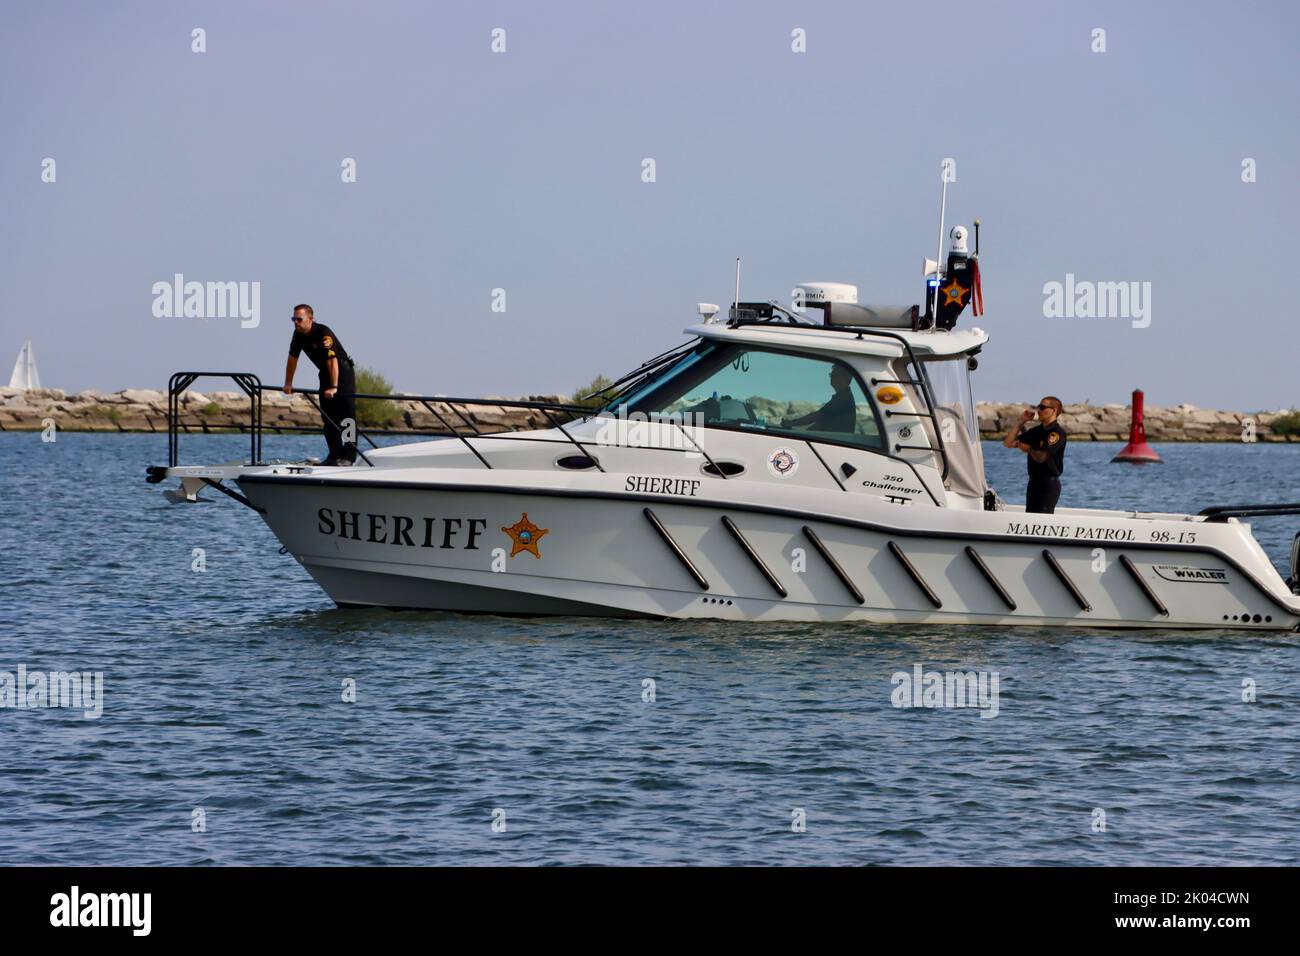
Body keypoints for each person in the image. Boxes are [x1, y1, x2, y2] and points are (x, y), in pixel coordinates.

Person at [283, 304, 357, 466]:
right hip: (325, 373)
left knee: (347, 416)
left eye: (299, 319)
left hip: (342, 373)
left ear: (311, 319)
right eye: (293, 319)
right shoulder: (298, 335)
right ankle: (335, 454)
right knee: (328, 416)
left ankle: (349, 456)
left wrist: (334, 386)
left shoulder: (323, 333)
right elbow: (292, 359)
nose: (295, 322)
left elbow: (333, 361)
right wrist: (288, 383)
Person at [1004, 396, 1067, 514]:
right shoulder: (1036, 431)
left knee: (1042, 521)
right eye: (1038, 406)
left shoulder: (1057, 433)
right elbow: (1008, 443)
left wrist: (1028, 449)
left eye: (1042, 407)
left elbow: (1041, 457)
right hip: (1033, 483)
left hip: (1048, 485)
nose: (1039, 410)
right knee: (1030, 518)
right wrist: (1021, 422)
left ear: (1054, 410)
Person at [782, 365, 857, 433]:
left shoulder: (843, 399)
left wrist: (791, 423)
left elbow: (816, 416)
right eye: (831, 375)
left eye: (834, 375)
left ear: (846, 378)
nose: (831, 377)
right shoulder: (843, 397)